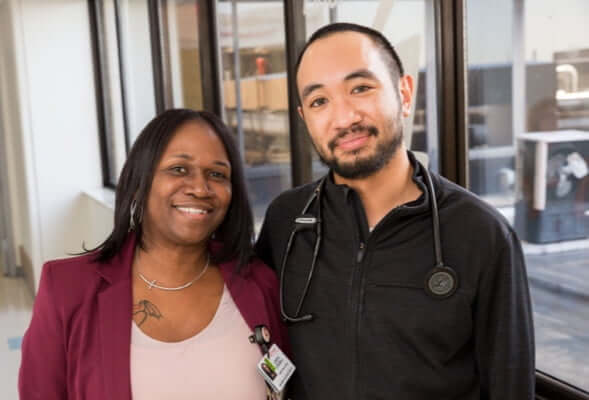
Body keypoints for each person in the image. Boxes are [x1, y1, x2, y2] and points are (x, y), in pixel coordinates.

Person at [255, 23, 535, 399]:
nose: (344, 117)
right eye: (320, 101)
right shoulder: (285, 222)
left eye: (360, 88)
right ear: (304, 118)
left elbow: (510, 386)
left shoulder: (481, 234)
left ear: (404, 93)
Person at [19, 109, 288, 400]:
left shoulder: (260, 282)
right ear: (138, 184)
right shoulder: (66, 289)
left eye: (217, 174)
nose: (200, 188)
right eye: (179, 169)